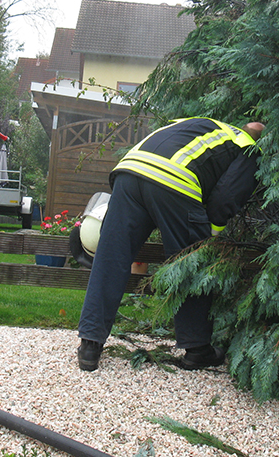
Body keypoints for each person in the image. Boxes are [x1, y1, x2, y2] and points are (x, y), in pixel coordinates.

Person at [77, 117, 265, 371]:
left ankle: (90, 344)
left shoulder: (204, 124)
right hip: (175, 179)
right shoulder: (249, 147)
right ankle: (198, 349)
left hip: (130, 171)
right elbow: (226, 197)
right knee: (190, 263)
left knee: (112, 255)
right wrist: (209, 234)